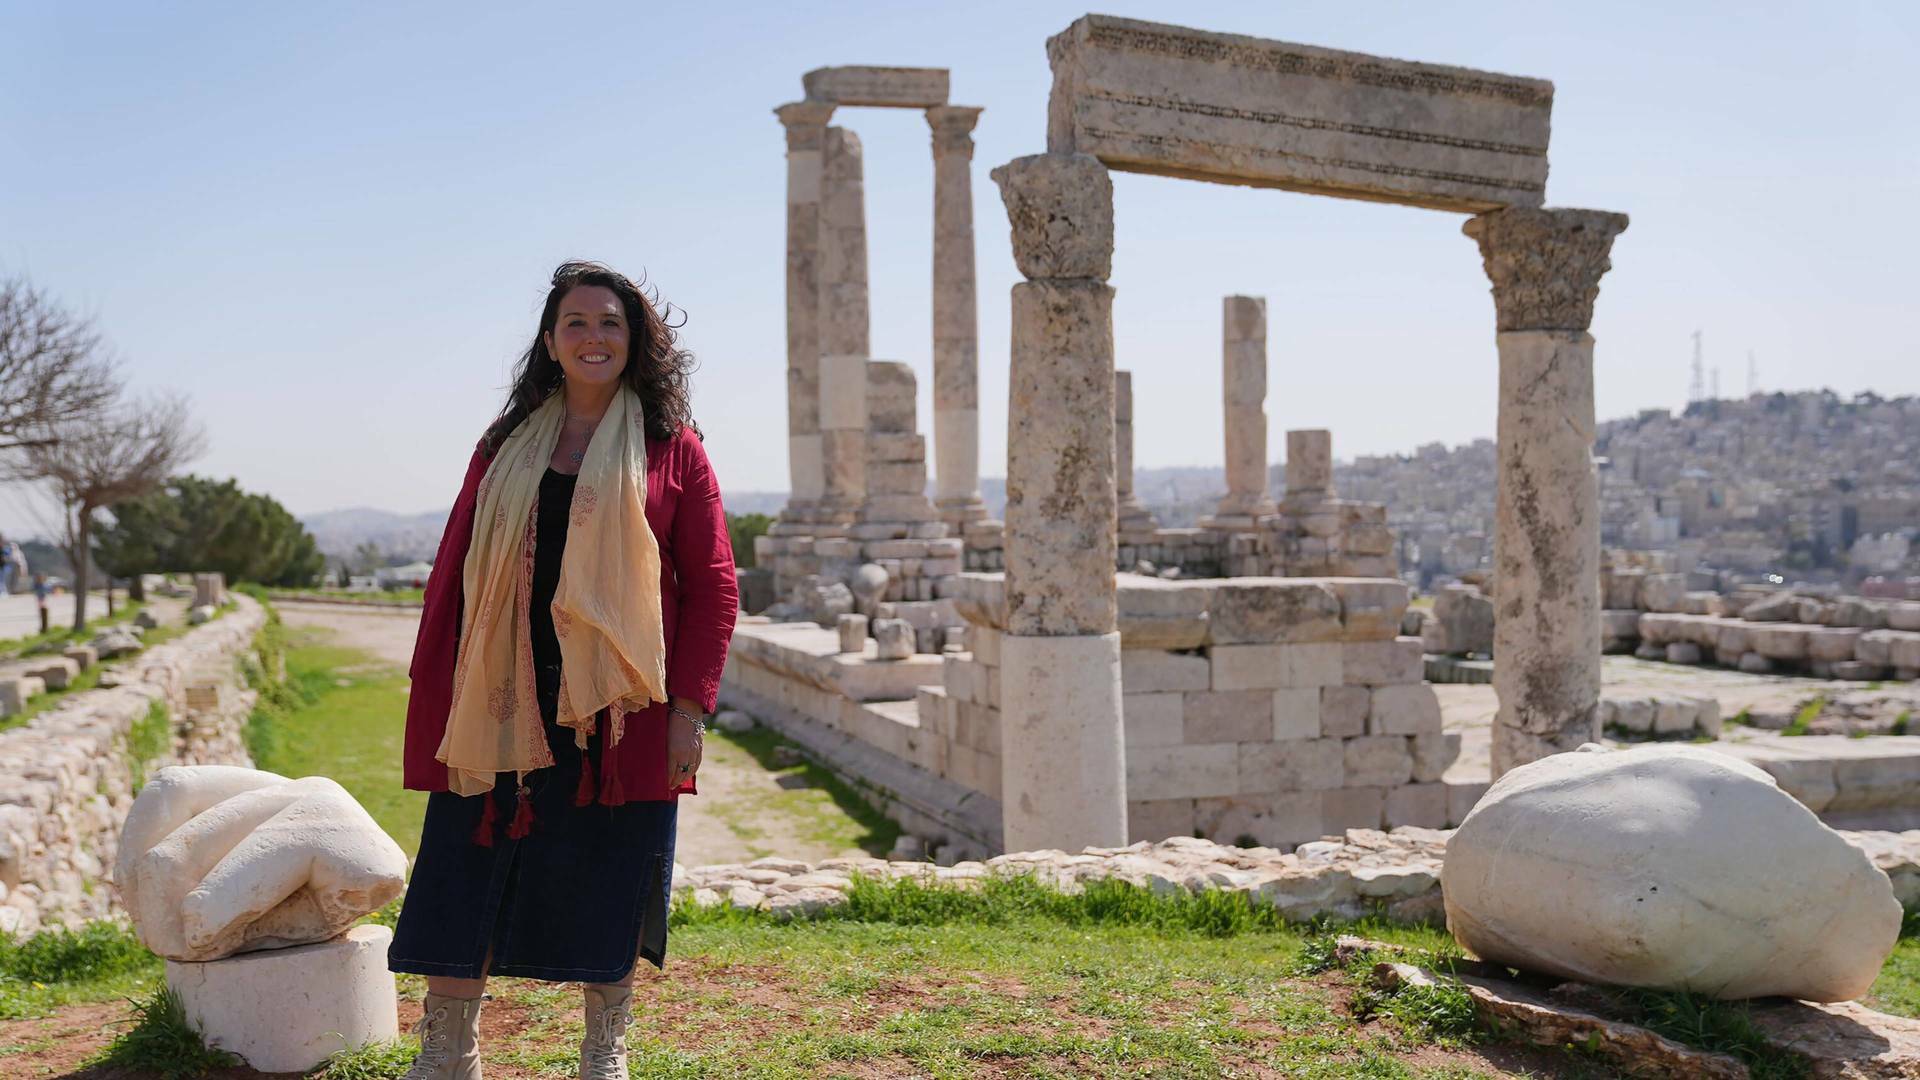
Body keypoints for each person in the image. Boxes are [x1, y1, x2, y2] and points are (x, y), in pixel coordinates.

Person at [389, 262, 738, 1079]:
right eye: (575, 323)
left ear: (634, 341)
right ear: (550, 342)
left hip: (621, 705)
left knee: (613, 865)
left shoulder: (671, 450)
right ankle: (449, 1051)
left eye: (610, 323)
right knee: (466, 861)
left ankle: (603, 1049)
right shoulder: (504, 446)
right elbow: (454, 569)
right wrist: (436, 692)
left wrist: (690, 711)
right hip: (499, 693)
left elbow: (714, 583)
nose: (592, 337)